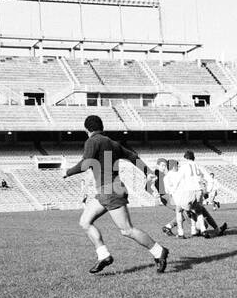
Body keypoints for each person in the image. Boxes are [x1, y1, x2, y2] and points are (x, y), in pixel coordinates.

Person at [64, 114, 169, 274]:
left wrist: (68, 172)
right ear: (102, 127)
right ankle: (104, 256)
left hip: (110, 190)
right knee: (85, 222)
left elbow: (85, 164)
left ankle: (158, 251)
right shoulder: (113, 143)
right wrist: (147, 171)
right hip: (107, 190)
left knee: (127, 230)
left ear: (87, 129)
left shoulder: (92, 141)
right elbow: (133, 156)